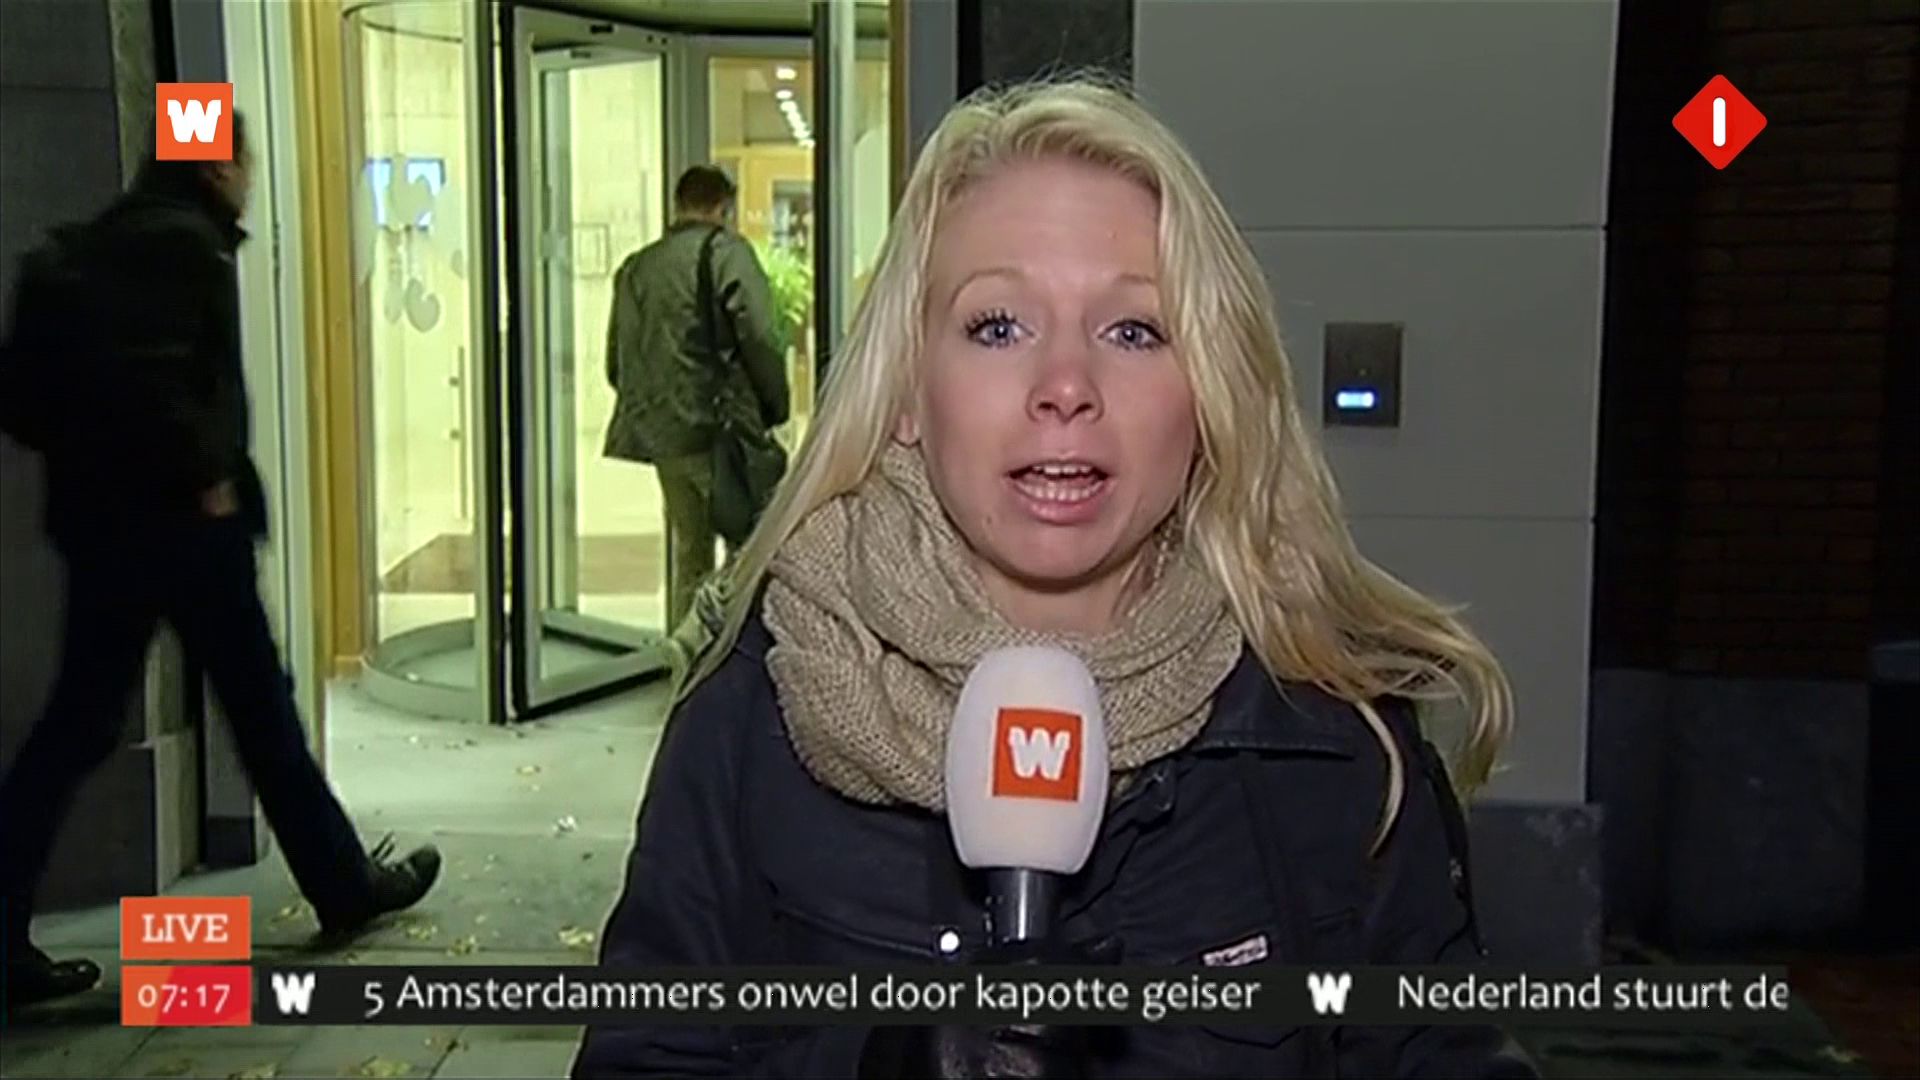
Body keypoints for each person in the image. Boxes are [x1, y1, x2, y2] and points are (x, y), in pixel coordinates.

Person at [572, 78, 1537, 1078]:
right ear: (907, 393)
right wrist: (877, 1063)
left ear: (1208, 395)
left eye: (1133, 331)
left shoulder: (1331, 732)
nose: (1066, 388)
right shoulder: (755, 710)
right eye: (998, 327)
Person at [0, 111, 440, 1011]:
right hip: (182, 532)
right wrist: (204, 475)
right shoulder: (178, 247)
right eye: (242, 161)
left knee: (82, 726)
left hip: (102, 529)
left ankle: (341, 881)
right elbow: (156, 378)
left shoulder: (102, 242)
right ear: (215, 169)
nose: (249, 178)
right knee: (260, 711)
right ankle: (345, 886)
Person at [603, 165, 789, 632]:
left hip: (666, 439)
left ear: (677, 204)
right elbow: (759, 336)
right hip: (721, 434)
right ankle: (732, 655)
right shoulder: (727, 254)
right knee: (747, 549)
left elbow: (616, 362)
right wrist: (774, 405)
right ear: (723, 207)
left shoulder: (637, 267)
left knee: (690, 552)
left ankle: (685, 655)